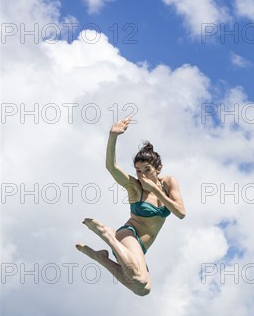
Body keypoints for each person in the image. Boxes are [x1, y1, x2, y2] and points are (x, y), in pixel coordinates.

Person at [76, 116, 186, 296]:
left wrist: (156, 191)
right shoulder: (135, 187)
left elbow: (181, 213)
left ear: (158, 169)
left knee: (143, 289)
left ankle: (100, 257)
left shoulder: (169, 183)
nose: (142, 176)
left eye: (147, 170)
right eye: (138, 171)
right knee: (140, 280)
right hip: (128, 235)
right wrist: (113, 137)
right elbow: (111, 167)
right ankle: (107, 235)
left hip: (140, 247)